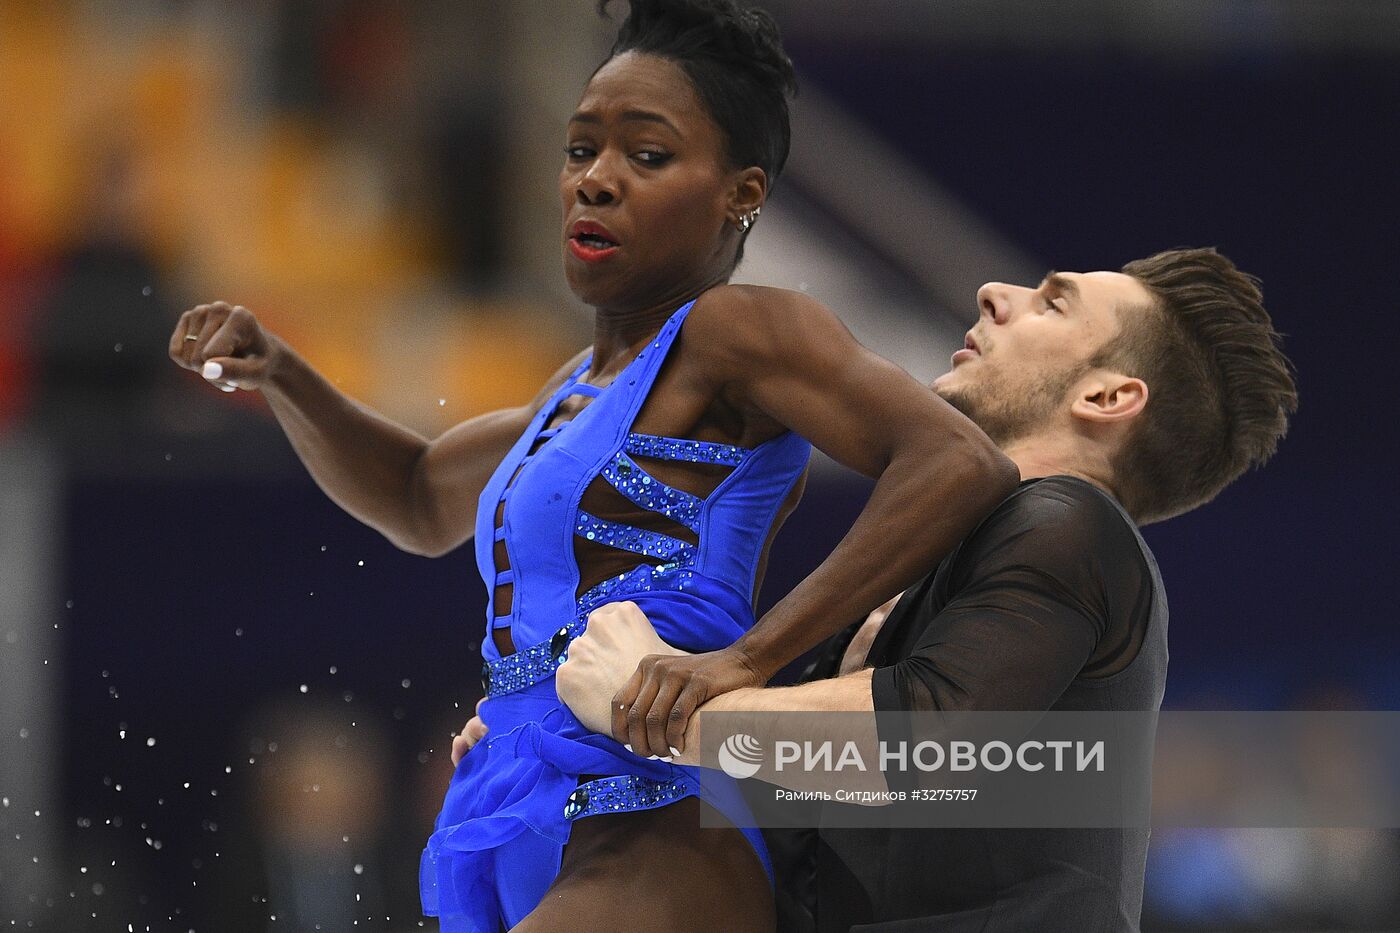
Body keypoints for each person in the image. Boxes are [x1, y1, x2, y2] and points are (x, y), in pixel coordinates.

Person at [168, 1, 1016, 930]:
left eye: (646, 156)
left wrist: (751, 658)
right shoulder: (568, 393)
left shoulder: (734, 331)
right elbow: (416, 497)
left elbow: (955, 460)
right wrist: (284, 374)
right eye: (580, 151)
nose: (596, 181)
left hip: (654, 811)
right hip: (520, 795)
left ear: (742, 192)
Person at [461, 247, 1298, 930]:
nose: (995, 292)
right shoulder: (939, 577)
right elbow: (788, 813)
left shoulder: (1074, 524)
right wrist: (549, 742)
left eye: (1051, 302)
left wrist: (651, 708)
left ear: (1107, 396)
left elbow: (920, 740)